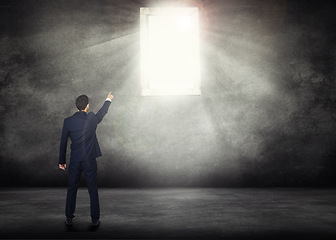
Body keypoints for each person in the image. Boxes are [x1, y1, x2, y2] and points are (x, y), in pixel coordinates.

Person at [59, 92, 113, 227]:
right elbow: (102, 113)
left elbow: (63, 142)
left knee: (72, 188)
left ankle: (69, 217)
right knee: (92, 189)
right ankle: (95, 219)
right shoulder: (91, 119)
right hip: (89, 159)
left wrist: (62, 161)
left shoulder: (68, 121)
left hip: (75, 160)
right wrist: (108, 100)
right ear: (87, 106)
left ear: (76, 107)